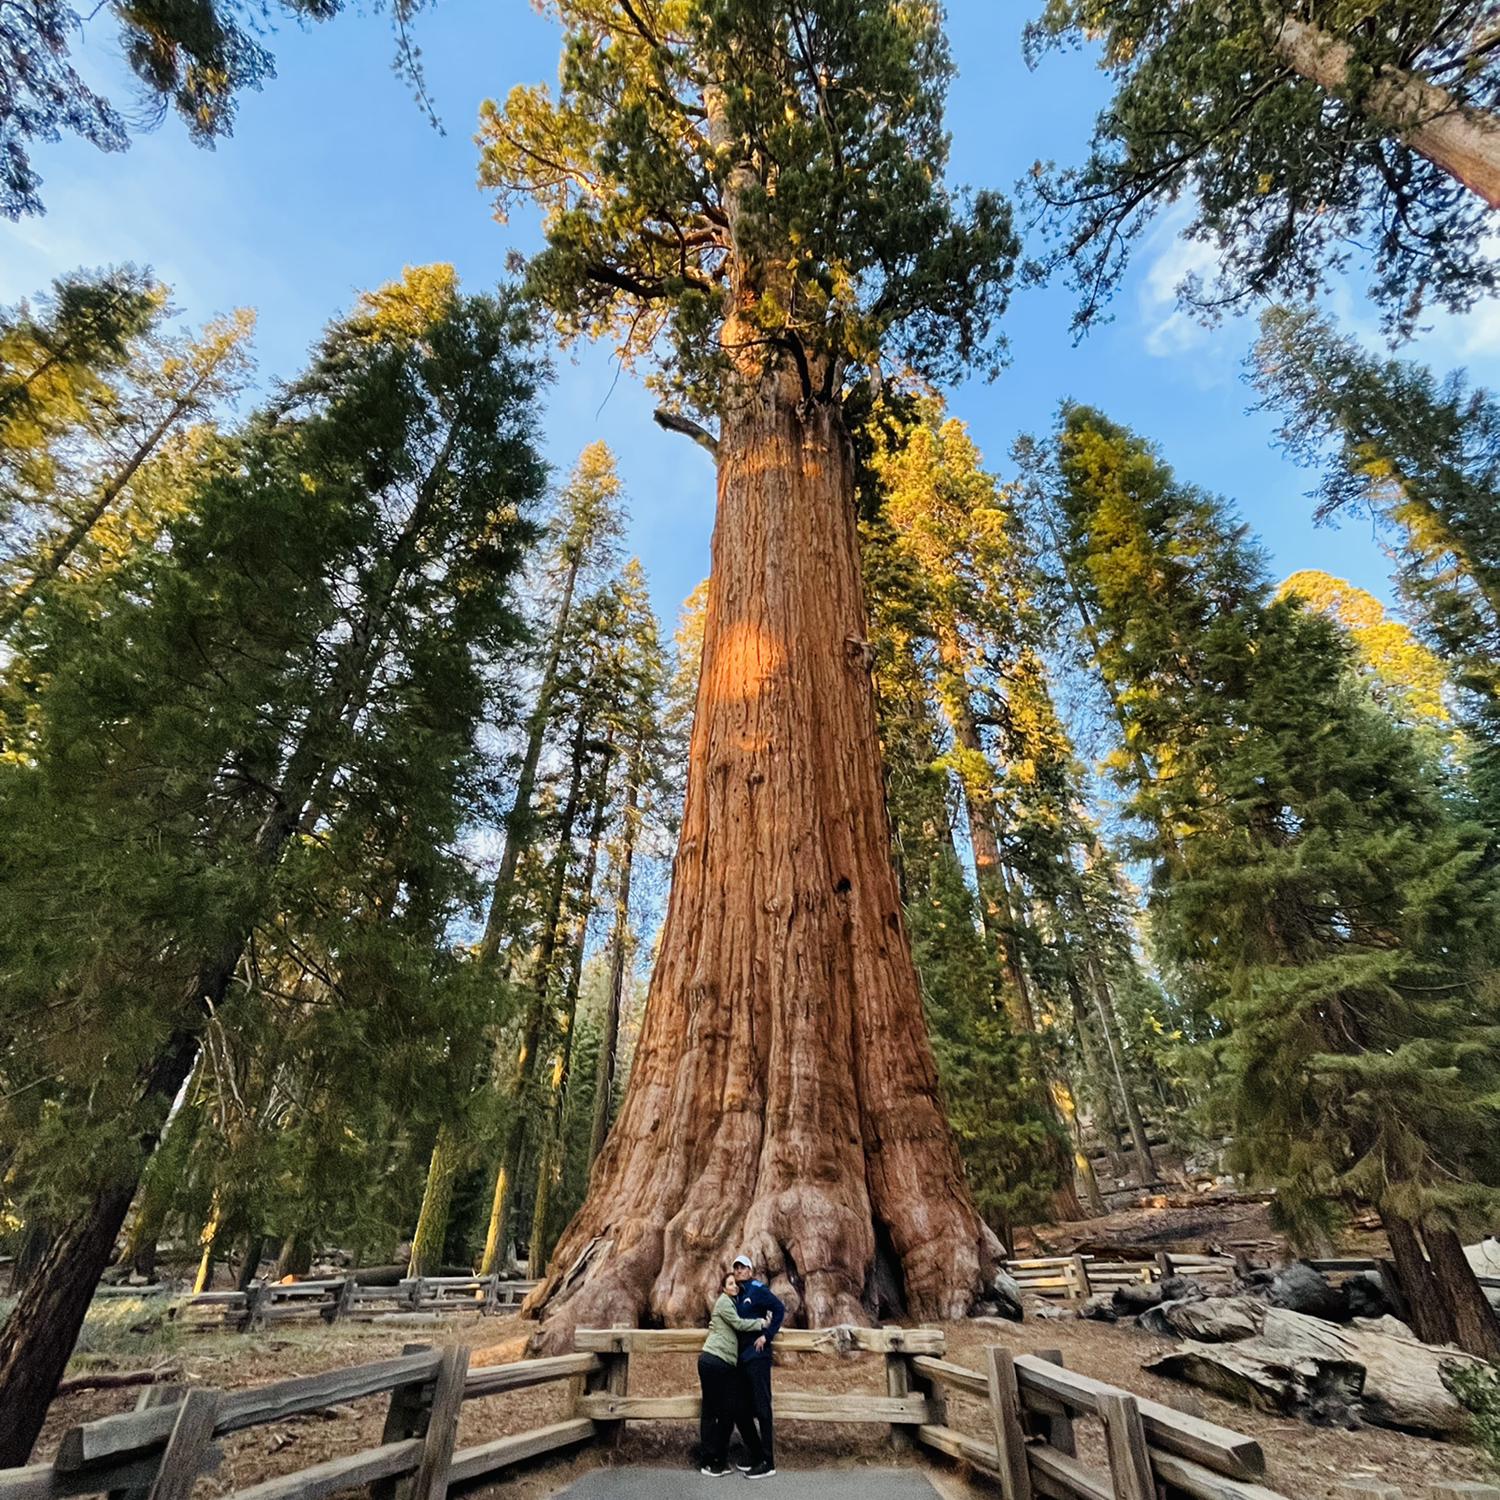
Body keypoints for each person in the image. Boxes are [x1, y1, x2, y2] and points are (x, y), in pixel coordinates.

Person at [698, 1271, 769, 1477]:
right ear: (723, 1288)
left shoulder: (732, 1303)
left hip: (721, 1363)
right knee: (716, 1412)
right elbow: (738, 1324)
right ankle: (711, 1462)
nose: (734, 1286)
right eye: (730, 1283)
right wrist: (761, 1323)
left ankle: (716, 1459)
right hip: (714, 1360)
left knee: (725, 1410)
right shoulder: (724, 1302)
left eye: (735, 1283)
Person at [730, 1251, 785, 1480]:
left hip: (758, 1357)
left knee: (762, 1408)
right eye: (736, 1267)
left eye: (743, 1267)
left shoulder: (757, 1289)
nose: (739, 1271)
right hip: (742, 1359)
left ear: (750, 1270)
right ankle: (755, 1454)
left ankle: (768, 1462)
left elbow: (779, 1308)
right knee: (740, 1408)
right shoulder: (737, 1294)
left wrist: (767, 1336)